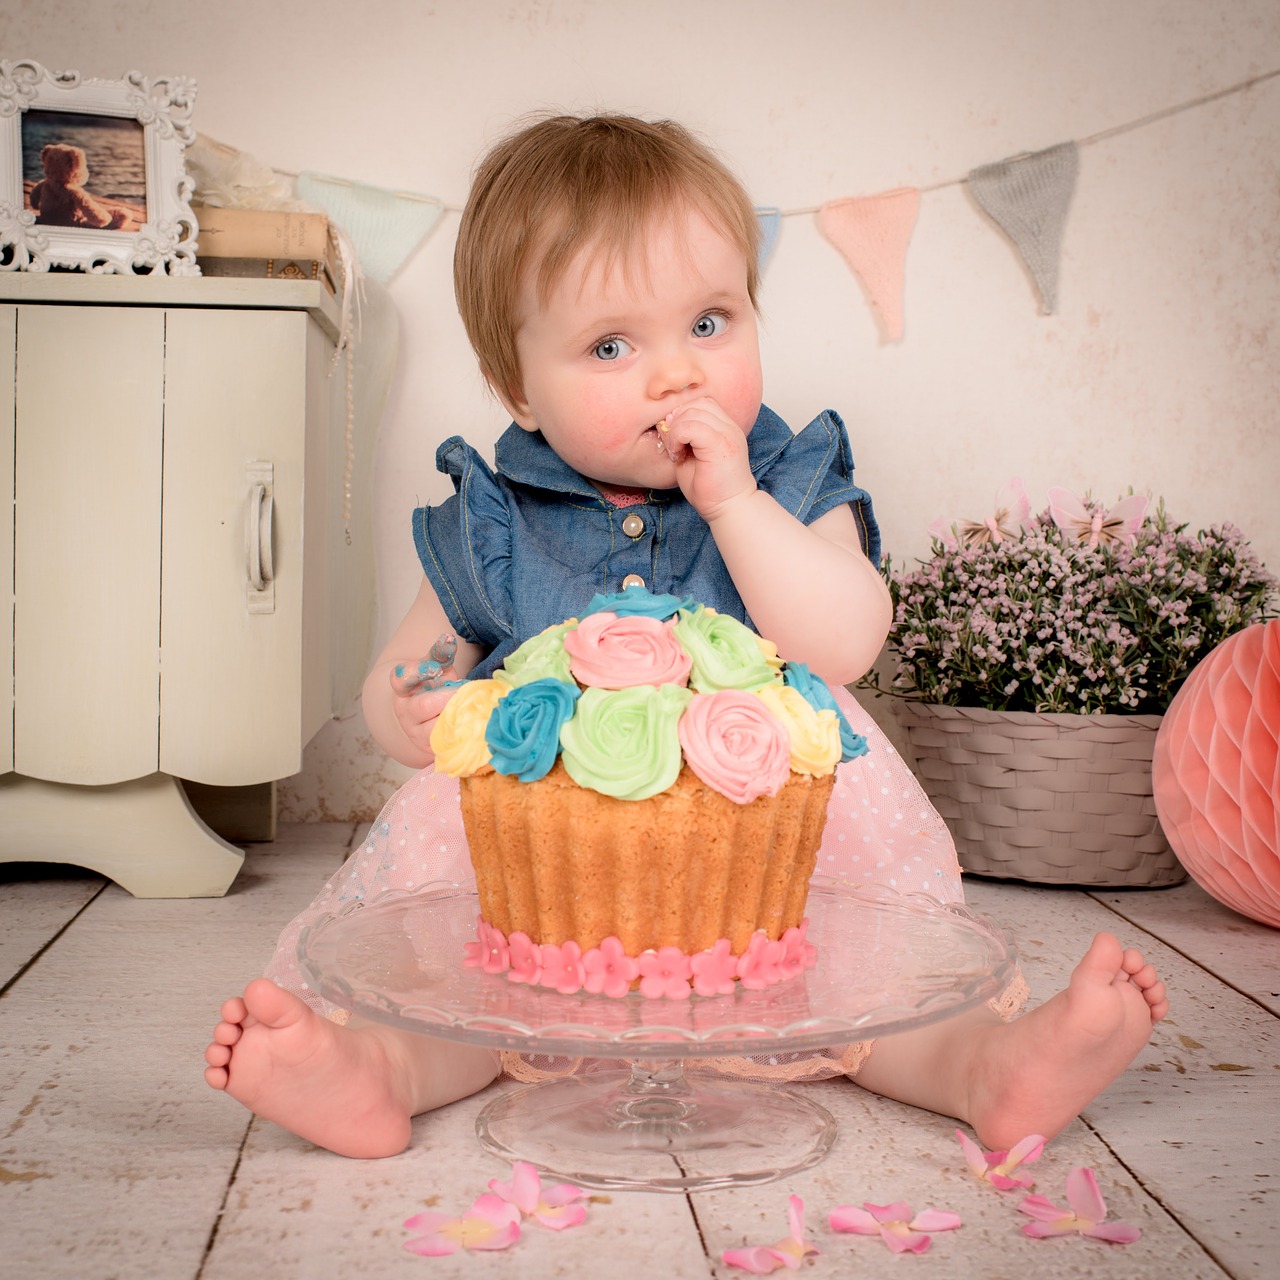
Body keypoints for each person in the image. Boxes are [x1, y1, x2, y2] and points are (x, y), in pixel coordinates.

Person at [204, 114, 1167, 1160]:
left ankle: (988, 1067)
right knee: (464, 984)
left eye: (708, 322)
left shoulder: (789, 476)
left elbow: (846, 637)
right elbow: (401, 679)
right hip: (552, 874)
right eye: (612, 346)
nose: (675, 375)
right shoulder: (499, 517)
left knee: (864, 990)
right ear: (516, 386)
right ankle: (374, 1073)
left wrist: (736, 503)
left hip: (781, 859)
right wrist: (416, 698)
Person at [29, 143, 126, 230]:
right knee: (106, 219)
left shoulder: (45, 184)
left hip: (46, 219)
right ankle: (116, 218)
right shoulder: (73, 191)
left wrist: (35, 204)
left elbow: (34, 198)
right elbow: (91, 210)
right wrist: (103, 219)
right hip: (69, 224)